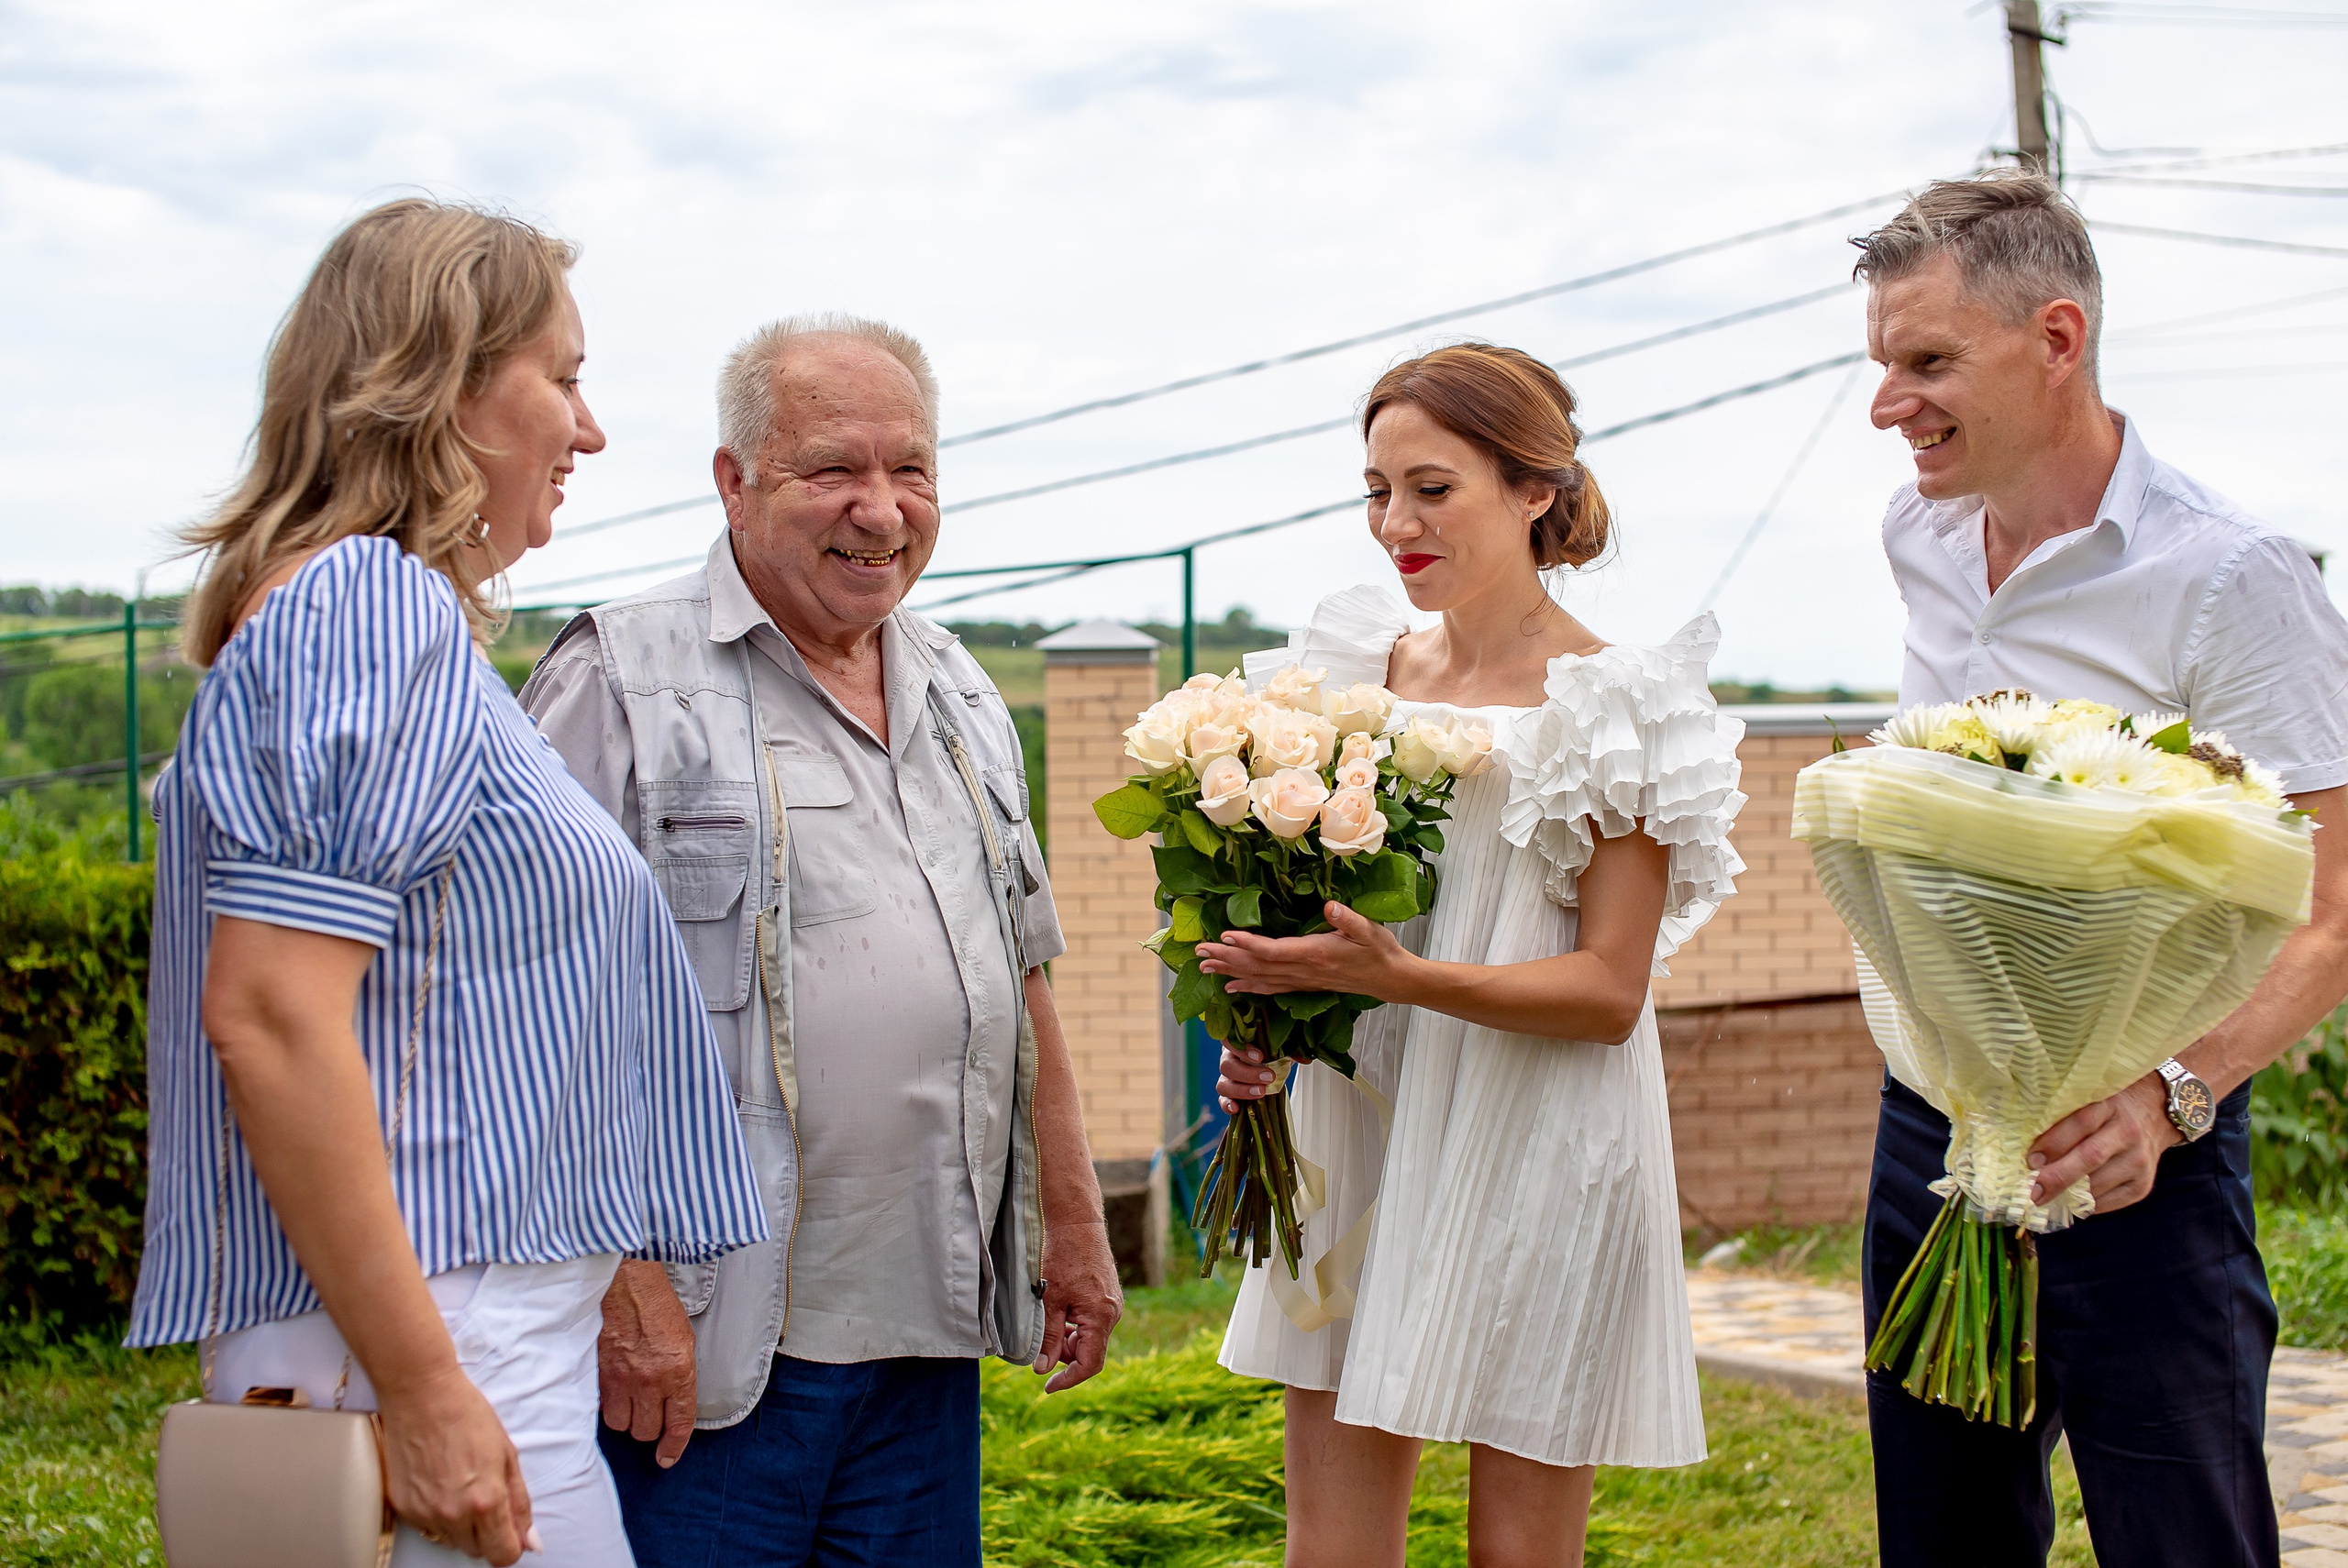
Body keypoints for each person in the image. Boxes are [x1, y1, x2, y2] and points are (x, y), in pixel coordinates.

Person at [127, 198, 770, 1568]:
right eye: (567, 374)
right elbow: (274, 1013)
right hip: (435, 1343)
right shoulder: (367, 607)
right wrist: (424, 1390)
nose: (589, 430)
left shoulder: (350, 616)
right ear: (445, 383)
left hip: (440, 1335)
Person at [520, 312, 1123, 1566]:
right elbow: (527, 1016)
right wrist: (622, 1278)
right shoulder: (620, 681)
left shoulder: (961, 688)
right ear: (737, 481)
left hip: (923, 1346)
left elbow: (1022, 977)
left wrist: (1071, 1219)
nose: (883, 509)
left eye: (911, 471)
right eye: (835, 470)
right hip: (709, 1350)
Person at [1854, 171, 2348, 1568]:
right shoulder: (1921, 537)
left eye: (1929, 361)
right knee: (1942, 1540)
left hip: (2140, 1154)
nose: (1892, 402)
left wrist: (2168, 1097)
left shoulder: (2230, 576)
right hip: (1931, 1138)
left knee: (2180, 1541)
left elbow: (2333, 913)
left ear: (2058, 339)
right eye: (1886, 364)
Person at [1206, 343, 1745, 1568]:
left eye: (1433, 488)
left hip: (1546, 1141)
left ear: (1536, 489)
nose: (1396, 522)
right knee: (1330, 1554)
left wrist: (1394, 982)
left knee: (1518, 1556)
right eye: (1378, 488)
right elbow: (1329, 918)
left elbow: (1611, 992)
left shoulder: (1620, 702)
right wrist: (1272, 1020)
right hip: (1364, 1123)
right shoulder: (1354, 676)